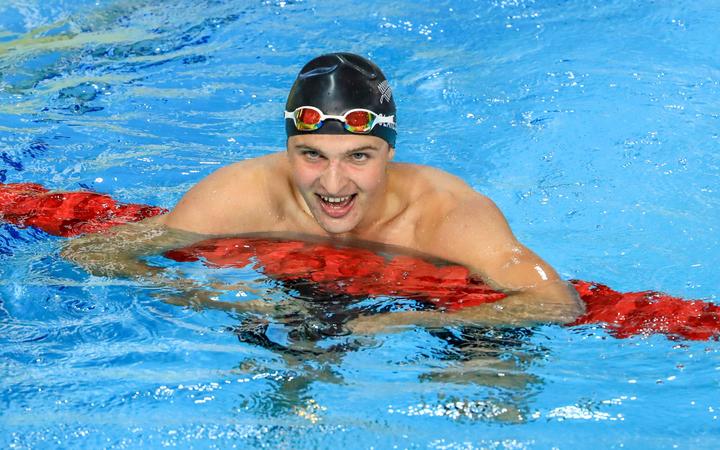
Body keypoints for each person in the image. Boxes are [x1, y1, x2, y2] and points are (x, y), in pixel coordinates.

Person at [64, 52, 584, 329]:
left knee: (489, 371)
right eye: (312, 155)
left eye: (358, 156)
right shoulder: (241, 193)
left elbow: (555, 302)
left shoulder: (447, 214)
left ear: (389, 153)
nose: (333, 185)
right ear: (287, 150)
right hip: (289, 303)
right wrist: (201, 293)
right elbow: (89, 250)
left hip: (424, 312)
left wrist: (404, 324)